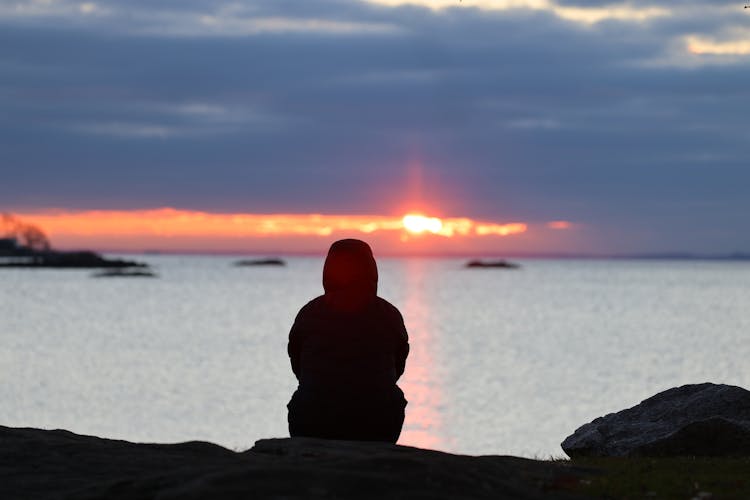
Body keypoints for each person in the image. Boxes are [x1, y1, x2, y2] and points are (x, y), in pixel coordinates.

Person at [287, 239, 409, 443]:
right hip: (377, 425)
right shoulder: (389, 315)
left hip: (312, 424)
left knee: (304, 398)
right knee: (392, 399)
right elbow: (399, 366)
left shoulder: (308, 313)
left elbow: (297, 366)